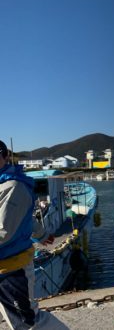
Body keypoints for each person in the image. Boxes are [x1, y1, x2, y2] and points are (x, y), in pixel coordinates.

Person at [0, 140, 67, 330]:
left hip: (12, 268)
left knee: (28, 322)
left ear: (5, 157)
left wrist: (41, 234)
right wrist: (42, 233)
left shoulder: (12, 187)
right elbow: (27, 218)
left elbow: (3, 232)